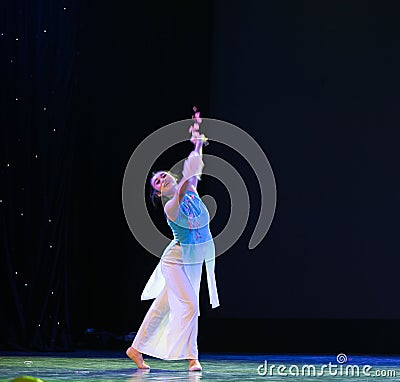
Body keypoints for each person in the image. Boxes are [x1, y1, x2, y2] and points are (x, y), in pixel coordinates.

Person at [126, 117, 220, 372]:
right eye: (158, 182)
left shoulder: (191, 192)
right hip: (176, 261)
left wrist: (198, 144)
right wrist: (196, 147)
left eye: (163, 175)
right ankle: (193, 358)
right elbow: (188, 179)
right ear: (159, 193)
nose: (163, 179)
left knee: (161, 308)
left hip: (191, 260)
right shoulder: (171, 205)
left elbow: (193, 173)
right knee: (190, 305)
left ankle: (135, 349)